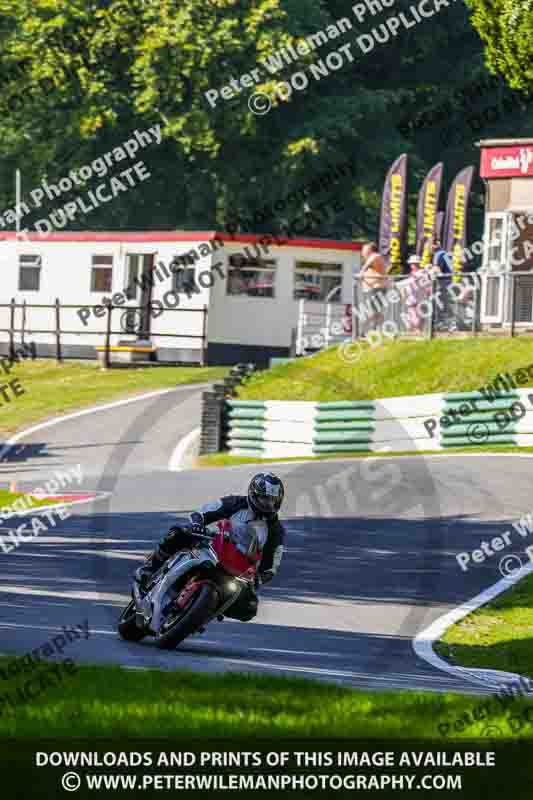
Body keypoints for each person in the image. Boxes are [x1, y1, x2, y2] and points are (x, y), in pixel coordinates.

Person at [135, 472, 286, 622]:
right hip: (215, 546)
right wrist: (196, 525)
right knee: (178, 532)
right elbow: (203, 512)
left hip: (238, 569)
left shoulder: (275, 530)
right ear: (253, 494)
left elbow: (271, 566)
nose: (268, 504)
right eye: (264, 498)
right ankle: (149, 568)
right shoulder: (236, 503)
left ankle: (201, 614)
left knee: (249, 608)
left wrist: (258, 578)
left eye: (272, 500)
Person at [359, 242, 389, 333]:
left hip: (377, 288)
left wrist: (362, 272)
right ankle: (379, 330)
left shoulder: (375, 256)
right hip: (372, 289)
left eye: (364, 250)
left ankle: (368, 331)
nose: (362, 252)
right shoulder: (371, 259)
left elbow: (372, 258)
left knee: (371, 311)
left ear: (370, 250)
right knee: (375, 311)